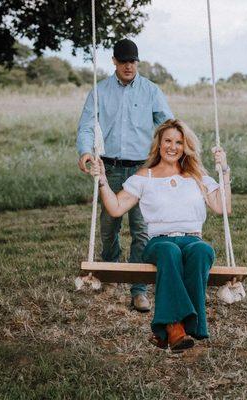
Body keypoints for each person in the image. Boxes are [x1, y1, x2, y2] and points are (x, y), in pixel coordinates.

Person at [90, 119, 232, 352]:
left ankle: (176, 328)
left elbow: (223, 208)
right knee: (170, 251)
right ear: (159, 143)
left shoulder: (197, 176)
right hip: (159, 242)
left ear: (185, 146)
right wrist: (103, 180)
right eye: (168, 140)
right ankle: (175, 325)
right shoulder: (145, 176)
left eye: (179, 142)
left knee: (203, 250)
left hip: (192, 238)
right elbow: (116, 207)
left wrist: (224, 171)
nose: (173, 146)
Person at [77, 39, 174, 312]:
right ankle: (111, 271)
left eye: (133, 61)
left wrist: (171, 154)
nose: (128, 66)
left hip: (143, 168)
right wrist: (85, 152)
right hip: (110, 167)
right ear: (114, 61)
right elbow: (86, 126)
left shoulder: (151, 91)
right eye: (123, 61)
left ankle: (139, 289)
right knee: (109, 227)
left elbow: (168, 125)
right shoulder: (100, 91)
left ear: (137, 62)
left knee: (142, 229)